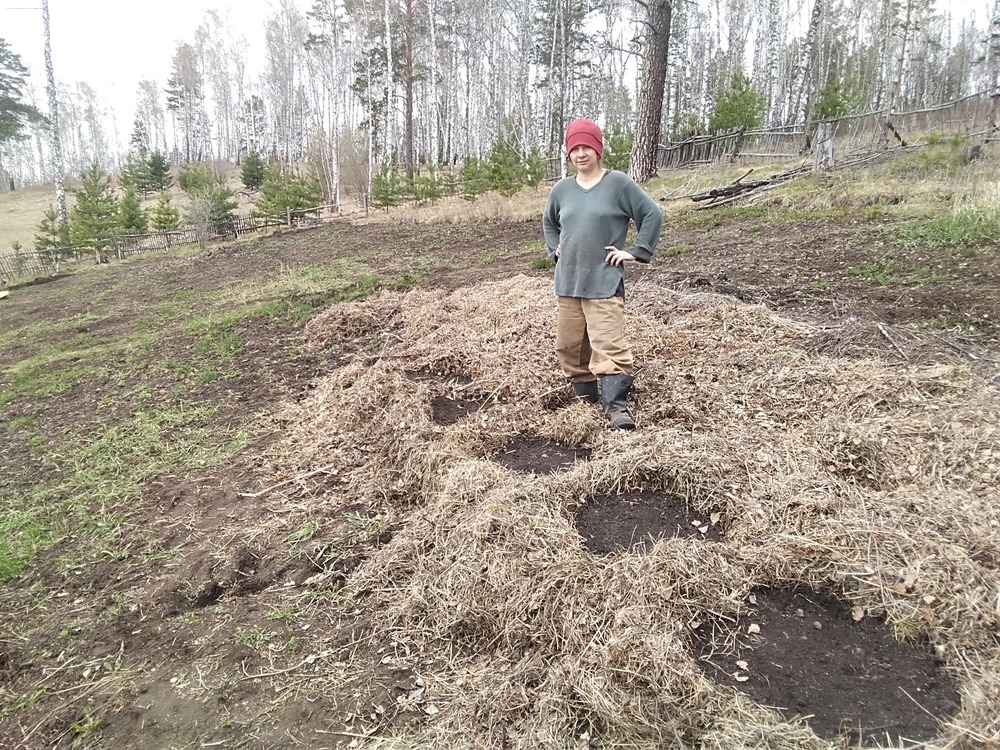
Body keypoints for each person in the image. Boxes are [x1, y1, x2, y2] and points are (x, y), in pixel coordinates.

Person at [542, 117, 663, 430]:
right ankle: (586, 398)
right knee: (570, 345)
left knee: (608, 343)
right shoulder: (562, 189)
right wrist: (554, 248)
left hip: (604, 279)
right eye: (575, 148)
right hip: (568, 280)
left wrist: (636, 251)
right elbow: (549, 222)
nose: (581, 153)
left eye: (587, 147)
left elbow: (651, 213)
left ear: (598, 149)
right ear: (569, 153)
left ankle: (617, 407)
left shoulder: (618, 183)